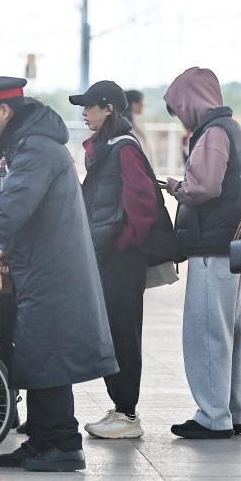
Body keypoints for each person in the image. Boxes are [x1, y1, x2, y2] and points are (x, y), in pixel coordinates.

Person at [0, 76, 117, 472]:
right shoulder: (31, 144)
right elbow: (32, 215)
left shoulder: (36, 149)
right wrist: (7, 251)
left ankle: (63, 444)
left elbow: (11, 211)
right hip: (42, 265)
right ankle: (42, 439)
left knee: (50, 357)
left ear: (4, 110)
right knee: (39, 354)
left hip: (52, 271)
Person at [163, 67, 241, 439]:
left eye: (180, 107)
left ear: (192, 101)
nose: (180, 116)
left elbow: (205, 187)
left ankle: (213, 417)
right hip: (231, 244)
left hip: (213, 245)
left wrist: (178, 188)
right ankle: (231, 410)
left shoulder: (213, 133)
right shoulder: (232, 129)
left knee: (207, 331)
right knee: (228, 332)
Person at [71, 81, 157, 439]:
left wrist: (122, 243)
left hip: (121, 258)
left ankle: (127, 413)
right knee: (113, 333)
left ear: (108, 109)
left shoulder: (124, 149)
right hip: (109, 254)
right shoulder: (106, 149)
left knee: (123, 335)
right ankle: (121, 408)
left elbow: (143, 206)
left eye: (89, 106)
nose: (84, 113)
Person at [124, 89, 156, 167]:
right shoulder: (128, 127)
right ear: (133, 104)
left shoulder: (135, 122)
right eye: (141, 102)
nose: (143, 105)